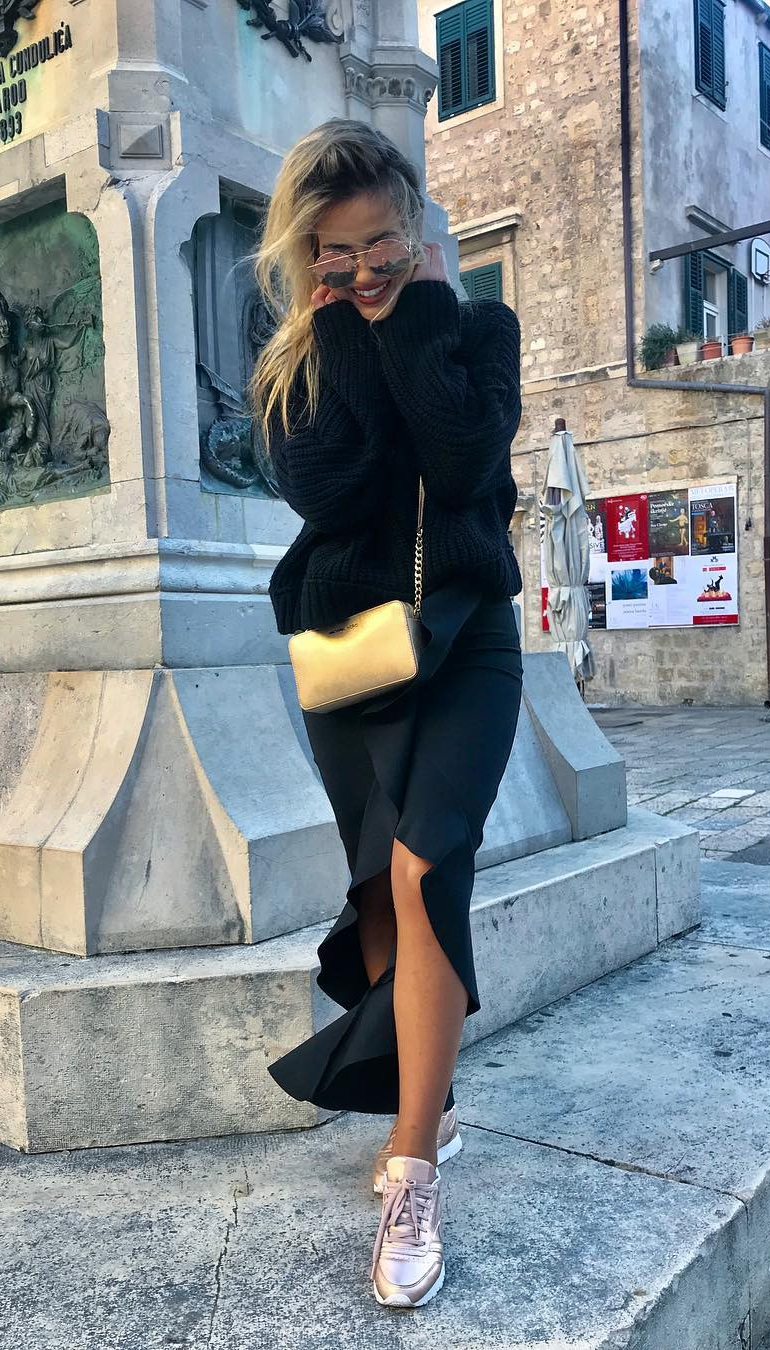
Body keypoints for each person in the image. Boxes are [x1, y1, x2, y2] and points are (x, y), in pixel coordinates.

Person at [248, 118, 524, 1309]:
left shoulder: (479, 330)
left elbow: (463, 468)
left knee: (424, 868)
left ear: (416, 227)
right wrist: (345, 337)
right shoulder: (297, 364)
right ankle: (428, 1096)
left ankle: (412, 1168)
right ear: (308, 254)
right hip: (350, 655)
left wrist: (414, 318)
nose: (363, 268)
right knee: (377, 891)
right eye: (339, 252)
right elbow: (333, 494)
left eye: (382, 246)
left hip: (469, 640)